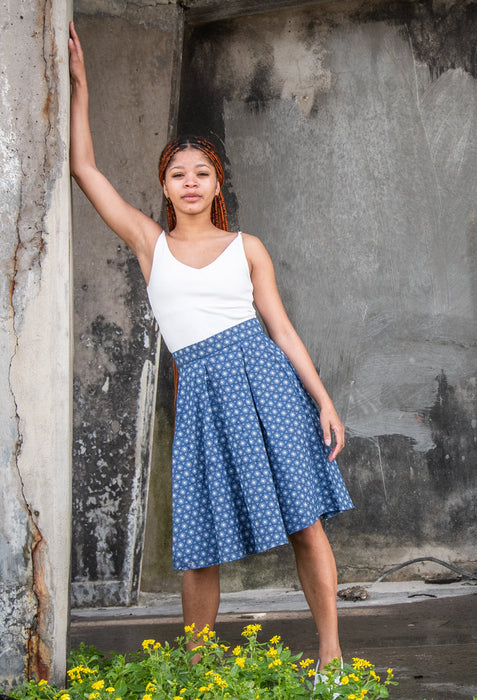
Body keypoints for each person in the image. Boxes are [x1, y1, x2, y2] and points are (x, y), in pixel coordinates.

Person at [68, 21, 354, 671]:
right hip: (200, 390)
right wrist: (81, 87)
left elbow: (281, 329)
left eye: (202, 172)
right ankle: (196, 670)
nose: (190, 181)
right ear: (165, 186)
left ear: (217, 183)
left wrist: (324, 400)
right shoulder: (151, 245)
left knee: (305, 521)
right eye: (177, 173)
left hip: (265, 378)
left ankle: (331, 653)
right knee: (200, 541)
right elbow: (84, 169)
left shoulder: (247, 249)